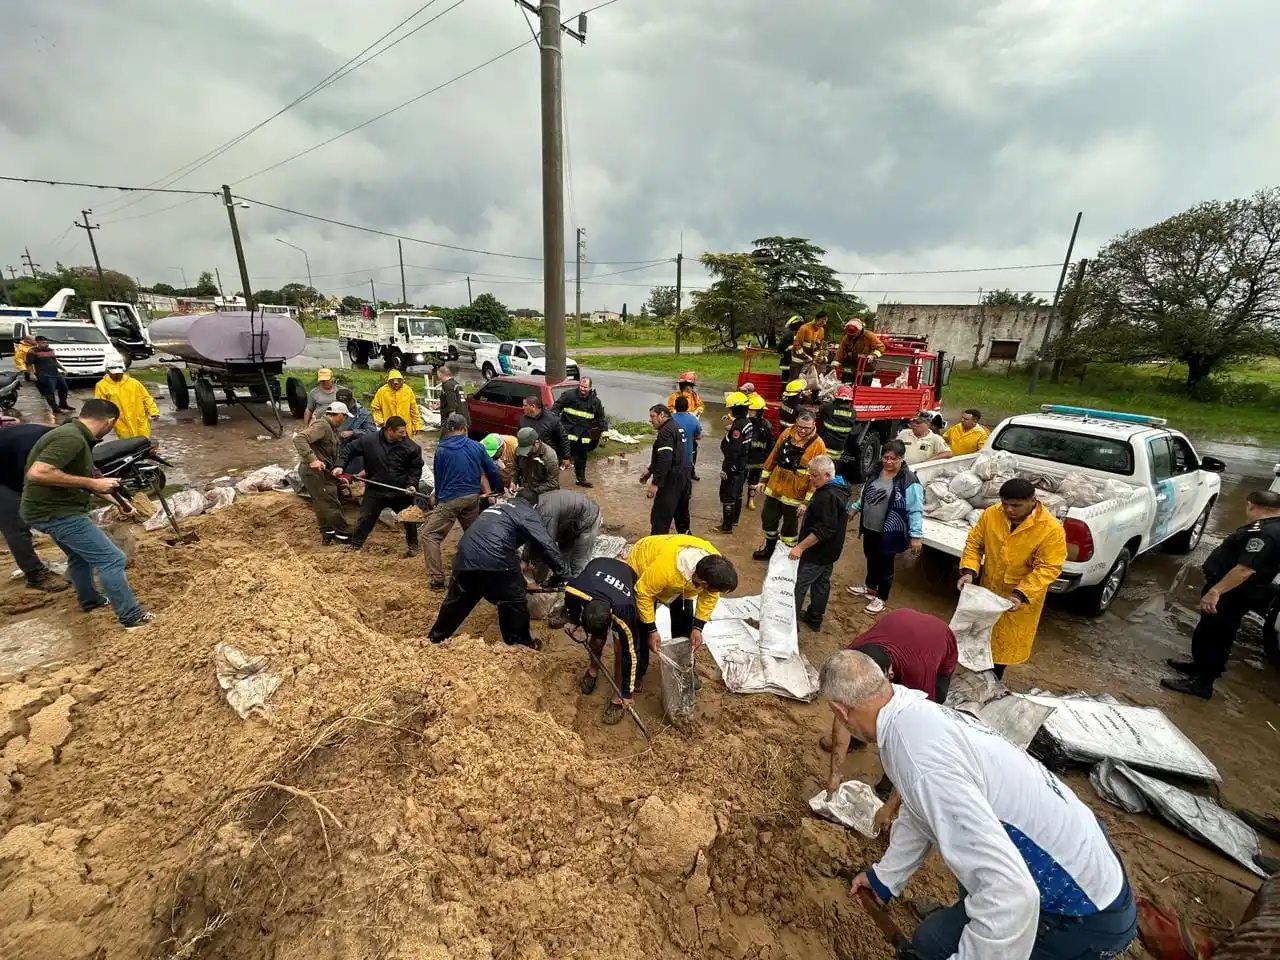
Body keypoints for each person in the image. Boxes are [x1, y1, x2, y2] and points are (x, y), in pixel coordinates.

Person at [824, 651, 1136, 960]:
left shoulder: (920, 759)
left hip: (1079, 908)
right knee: (939, 928)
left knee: (930, 947)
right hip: (1081, 854)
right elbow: (922, 809)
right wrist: (885, 877)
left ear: (841, 710)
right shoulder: (911, 715)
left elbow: (1012, 895)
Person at [20, 399, 153, 627]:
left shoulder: (78, 435)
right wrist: (90, 484)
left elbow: (94, 479)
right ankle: (132, 617)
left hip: (45, 510)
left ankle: (90, 601)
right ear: (109, 422)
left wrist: (122, 503)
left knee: (79, 557)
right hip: (56, 513)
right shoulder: (70, 438)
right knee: (112, 559)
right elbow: (38, 472)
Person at [826, 610, 960, 831]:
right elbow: (842, 714)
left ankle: (889, 786)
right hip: (902, 629)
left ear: (888, 677)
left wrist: (889, 807)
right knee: (860, 713)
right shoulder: (852, 658)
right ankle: (859, 737)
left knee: (905, 731)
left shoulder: (919, 678)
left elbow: (918, 745)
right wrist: (834, 773)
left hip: (936, 647)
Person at [1162, 490, 1280, 699]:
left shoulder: (1266, 533)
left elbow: (1245, 569)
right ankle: (1198, 667)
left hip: (1232, 592)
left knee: (1217, 636)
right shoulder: (1271, 527)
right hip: (1232, 589)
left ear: (1252, 506)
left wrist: (1216, 591)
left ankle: (1202, 684)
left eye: (1248, 508)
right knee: (1207, 630)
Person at [958, 477, 1067, 678]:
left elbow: (1048, 568)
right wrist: (969, 571)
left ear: (1032, 501)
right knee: (977, 641)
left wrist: (1021, 594)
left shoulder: (1050, 530)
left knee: (1001, 652)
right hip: (988, 592)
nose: (1008, 509)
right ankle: (971, 680)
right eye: (1005, 504)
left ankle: (992, 686)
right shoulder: (992, 514)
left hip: (1017, 601)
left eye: (1015, 505)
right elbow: (974, 543)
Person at [427, 497, 566, 649]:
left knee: (457, 601)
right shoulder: (527, 511)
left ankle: (434, 639)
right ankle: (520, 646)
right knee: (513, 600)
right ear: (533, 505)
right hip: (497, 560)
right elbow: (546, 544)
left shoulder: (495, 508)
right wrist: (561, 573)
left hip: (464, 558)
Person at [559, 557, 644, 724]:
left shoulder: (625, 610)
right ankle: (593, 670)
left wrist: (627, 693)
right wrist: (573, 619)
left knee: (621, 649)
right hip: (599, 564)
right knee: (597, 640)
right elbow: (570, 601)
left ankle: (618, 696)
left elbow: (632, 654)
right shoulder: (576, 588)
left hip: (628, 576)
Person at [423, 413, 503, 588]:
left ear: (449, 429)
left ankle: (437, 578)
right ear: (465, 428)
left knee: (429, 535)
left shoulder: (441, 449)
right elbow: (492, 470)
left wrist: (438, 499)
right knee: (474, 535)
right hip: (472, 498)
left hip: (450, 499)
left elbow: (439, 477)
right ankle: (487, 571)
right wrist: (497, 491)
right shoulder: (476, 447)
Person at [847, 438, 923, 613]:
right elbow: (867, 492)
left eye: (893, 459)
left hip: (889, 530)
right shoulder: (876, 472)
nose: (888, 462)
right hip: (870, 525)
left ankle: (881, 597)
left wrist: (916, 536)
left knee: (885, 563)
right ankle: (870, 587)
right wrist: (855, 508)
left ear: (901, 459)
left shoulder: (909, 481)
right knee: (871, 556)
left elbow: (915, 509)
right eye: (886, 458)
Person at [629, 534, 738, 655]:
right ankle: (639, 666)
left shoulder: (714, 566)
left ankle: (681, 658)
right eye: (715, 590)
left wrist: (698, 627)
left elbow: (709, 597)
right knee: (641, 627)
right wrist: (652, 630)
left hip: (681, 579)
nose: (715, 593)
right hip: (643, 560)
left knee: (685, 620)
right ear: (704, 583)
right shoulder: (666, 571)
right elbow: (643, 593)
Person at [336, 414, 426, 556]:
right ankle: (355, 545)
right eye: (401, 432)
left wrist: (412, 484)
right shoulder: (369, 441)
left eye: (405, 431)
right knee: (365, 518)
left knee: (410, 520)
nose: (404, 435)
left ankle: (413, 547)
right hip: (375, 490)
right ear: (389, 430)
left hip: (401, 491)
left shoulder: (411, 447)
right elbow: (349, 450)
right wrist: (340, 466)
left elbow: (415, 469)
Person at [0, 423, 66, 592]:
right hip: (4, 477)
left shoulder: (58, 437)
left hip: (10, 466)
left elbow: (89, 472)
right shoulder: (40, 447)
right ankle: (35, 575)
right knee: (16, 526)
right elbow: (32, 483)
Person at [753, 410, 826, 558]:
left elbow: (817, 475)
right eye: (800, 426)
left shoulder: (818, 445)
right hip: (776, 486)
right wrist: (763, 479)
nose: (803, 430)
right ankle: (769, 548)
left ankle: (784, 556)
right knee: (768, 518)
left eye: (807, 428)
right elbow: (774, 455)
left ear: (813, 425)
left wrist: (806, 502)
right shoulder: (787, 432)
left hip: (795, 493)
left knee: (789, 529)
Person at [789, 455, 849, 630]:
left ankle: (790, 624)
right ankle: (815, 618)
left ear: (827, 476)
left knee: (800, 584)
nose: (811, 479)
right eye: (811, 475)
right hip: (831, 552)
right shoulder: (839, 489)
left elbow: (824, 529)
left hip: (817, 552)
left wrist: (800, 547)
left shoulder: (826, 496)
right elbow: (831, 516)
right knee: (822, 583)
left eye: (815, 476)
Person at [293, 400, 352, 544]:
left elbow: (327, 452)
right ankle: (344, 534)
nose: (344, 420)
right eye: (344, 417)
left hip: (322, 471)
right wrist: (312, 459)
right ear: (338, 415)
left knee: (322, 502)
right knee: (330, 501)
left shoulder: (331, 428)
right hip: (312, 471)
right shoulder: (322, 426)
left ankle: (327, 533)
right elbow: (300, 439)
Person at [526, 488, 602, 582]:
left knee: (578, 561)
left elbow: (547, 549)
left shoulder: (545, 514)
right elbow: (530, 537)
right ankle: (561, 579)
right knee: (563, 554)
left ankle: (576, 586)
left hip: (588, 518)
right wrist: (525, 560)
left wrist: (538, 580)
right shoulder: (532, 507)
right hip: (569, 521)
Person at [640, 404, 691, 536]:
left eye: (653, 416)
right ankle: (687, 544)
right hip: (684, 476)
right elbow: (674, 454)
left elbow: (665, 459)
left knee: (660, 517)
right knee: (681, 515)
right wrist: (651, 470)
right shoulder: (676, 426)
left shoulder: (666, 432)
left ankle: (657, 546)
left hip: (672, 478)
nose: (650, 420)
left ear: (662, 415)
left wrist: (655, 483)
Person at [553, 376, 607, 487]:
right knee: (559, 458)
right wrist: (553, 422)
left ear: (590, 387)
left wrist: (605, 431)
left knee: (581, 459)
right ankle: (552, 481)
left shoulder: (595, 402)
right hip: (567, 434)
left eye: (585, 387)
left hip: (583, 436)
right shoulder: (569, 395)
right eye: (581, 386)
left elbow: (601, 417)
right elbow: (556, 407)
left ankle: (581, 480)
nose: (583, 389)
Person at [717, 392, 754, 533]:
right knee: (738, 492)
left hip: (734, 465)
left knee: (728, 494)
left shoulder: (738, 426)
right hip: (742, 464)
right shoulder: (748, 423)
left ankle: (727, 526)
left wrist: (727, 467)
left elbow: (734, 449)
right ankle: (734, 520)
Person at [93, 361, 160, 439]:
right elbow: (100, 403)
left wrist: (153, 412)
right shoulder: (102, 386)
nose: (118, 375)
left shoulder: (134, 383)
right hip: (121, 421)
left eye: (119, 373)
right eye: (115, 374)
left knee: (143, 441)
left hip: (139, 419)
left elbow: (146, 398)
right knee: (127, 442)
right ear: (108, 372)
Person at [666, 372, 703, 479]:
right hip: (678, 424)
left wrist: (696, 413)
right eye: (686, 385)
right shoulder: (675, 396)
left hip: (691, 424)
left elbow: (700, 406)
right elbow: (670, 409)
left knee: (692, 449)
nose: (688, 387)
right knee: (676, 447)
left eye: (690, 385)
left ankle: (691, 471)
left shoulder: (695, 396)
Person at [334, 386, 377, 475]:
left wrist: (353, 432)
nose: (343, 407)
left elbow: (373, 433)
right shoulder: (332, 409)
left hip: (355, 453)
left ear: (351, 401)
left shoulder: (363, 414)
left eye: (345, 404)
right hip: (335, 450)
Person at [520, 394, 570, 467]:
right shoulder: (523, 419)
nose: (522, 407)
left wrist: (566, 457)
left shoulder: (551, 419)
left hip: (549, 458)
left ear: (533, 406)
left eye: (525, 405)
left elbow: (563, 438)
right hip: (531, 458)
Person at [25, 337, 72, 414]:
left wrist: (63, 369)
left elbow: (54, 361)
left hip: (55, 373)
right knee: (49, 392)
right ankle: (55, 408)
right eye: (43, 343)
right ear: (38, 343)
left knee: (64, 389)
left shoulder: (50, 350)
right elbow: (29, 364)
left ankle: (63, 404)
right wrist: (32, 374)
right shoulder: (32, 351)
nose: (46, 344)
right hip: (43, 374)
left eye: (47, 342)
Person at [833, 318, 885, 385]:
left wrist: (873, 355)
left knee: (862, 389)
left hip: (865, 369)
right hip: (849, 368)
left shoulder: (869, 336)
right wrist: (836, 361)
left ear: (859, 330)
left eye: (854, 333)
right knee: (846, 387)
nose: (852, 335)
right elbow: (840, 350)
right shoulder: (847, 337)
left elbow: (881, 347)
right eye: (850, 333)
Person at [512, 426, 562, 497]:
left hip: (544, 493)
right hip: (526, 488)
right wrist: (513, 481)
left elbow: (553, 483)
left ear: (536, 442)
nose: (526, 453)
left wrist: (532, 491)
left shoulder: (549, 456)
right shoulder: (521, 449)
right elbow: (515, 466)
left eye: (528, 449)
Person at [370, 369, 423, 435]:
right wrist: (381, 422)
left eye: (398, 381)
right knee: (390, 444)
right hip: (390, 428)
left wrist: (417, 426)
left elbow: (414, 410)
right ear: (389, 381)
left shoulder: (408, 390)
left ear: (401, 381)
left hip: (405, 429)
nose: (396, 383)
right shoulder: (382, 391)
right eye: (393, 382)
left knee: (406, 444)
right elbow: (375, 408)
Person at [818, 385, 856, 477]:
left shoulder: (828, 408)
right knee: (831, 474)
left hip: (824, 449)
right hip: (838, 452)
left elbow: (821, 408)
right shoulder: (853, 413)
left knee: (820, 473)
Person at [745, 393, 773, 512]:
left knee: (754, 480)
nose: (750, 412)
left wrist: (766, 458)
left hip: (758, 458)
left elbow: (770, 443)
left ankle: (750, 500)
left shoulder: (766, 425)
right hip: (746, 457)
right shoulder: (746, 423)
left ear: (759, 411)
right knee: (741, 478)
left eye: (753, 410)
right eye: (749, 409)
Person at [671, 395, 702, 480]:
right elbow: (699, 436)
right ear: (687, 407)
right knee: (685, 486)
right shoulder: (693, 419)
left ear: (675, 407)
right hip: (686, 460)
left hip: (671, 459)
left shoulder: (669, 418)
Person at [789, 312, 827, 379]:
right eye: (821, 321)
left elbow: (818, 346)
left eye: (824, 322)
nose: (822, 324)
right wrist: (806, 357)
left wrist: (815, 355)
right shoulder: (804, 328)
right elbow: (796, 345)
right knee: (794, 379)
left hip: (810, 360)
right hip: (798, 359)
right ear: (815, 319)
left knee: (807, 381)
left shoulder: (821, 330)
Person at [437, 363, 469, 428]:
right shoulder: (456, 384)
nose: (438, 378)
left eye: (438, 375)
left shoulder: (447, 385)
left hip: (456, 421)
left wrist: (451, 425)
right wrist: (441, 405)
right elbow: (457, 400)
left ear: (440, 374)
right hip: (464, 418)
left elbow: (452, 406)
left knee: (447, 437)